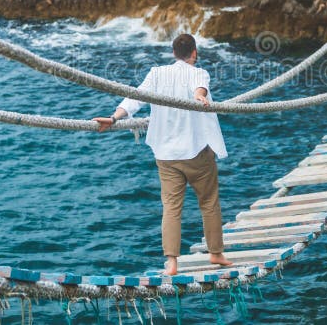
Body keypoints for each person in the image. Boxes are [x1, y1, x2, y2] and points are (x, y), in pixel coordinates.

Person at [94, 34, 233, 275]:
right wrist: (199, 96)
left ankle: (172, 263)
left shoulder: (156, 73)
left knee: (171, 207)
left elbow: (135, 98)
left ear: (173, 53)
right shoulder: (198, 72)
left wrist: (114, 117)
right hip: (196, 151)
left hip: (166, 155)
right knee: (209, 203)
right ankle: (215, 253)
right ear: (194, 53)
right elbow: (199, 88)